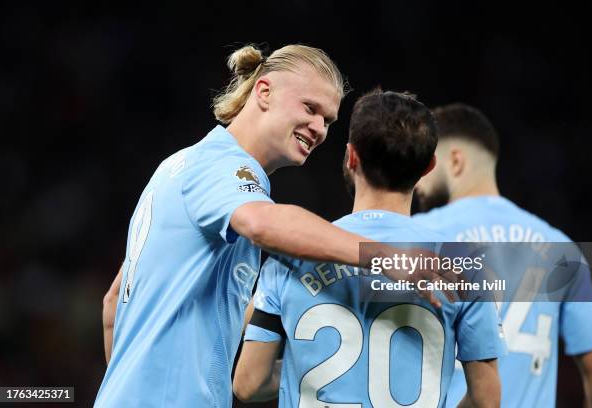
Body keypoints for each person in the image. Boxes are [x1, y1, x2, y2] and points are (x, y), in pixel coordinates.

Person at [95, 44, 382, 408]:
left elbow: (112, 304)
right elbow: (262, 223)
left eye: (328, 121)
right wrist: (383, 256)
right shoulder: (223, 168)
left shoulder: (178, 165)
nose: (320, 129)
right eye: (310, 108)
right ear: (264, 92)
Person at [233, 90, 504, 408]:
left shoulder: (289, 258)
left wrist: (304, 370)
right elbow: (486, 399)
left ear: (351, 157)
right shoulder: (463, 266)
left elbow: (249, 384)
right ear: (429, 167)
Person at [413, 103, 592, 407]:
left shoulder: (414, 237)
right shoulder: (563, 247)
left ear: (455, 161)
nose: (418, 181)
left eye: (426, 164)